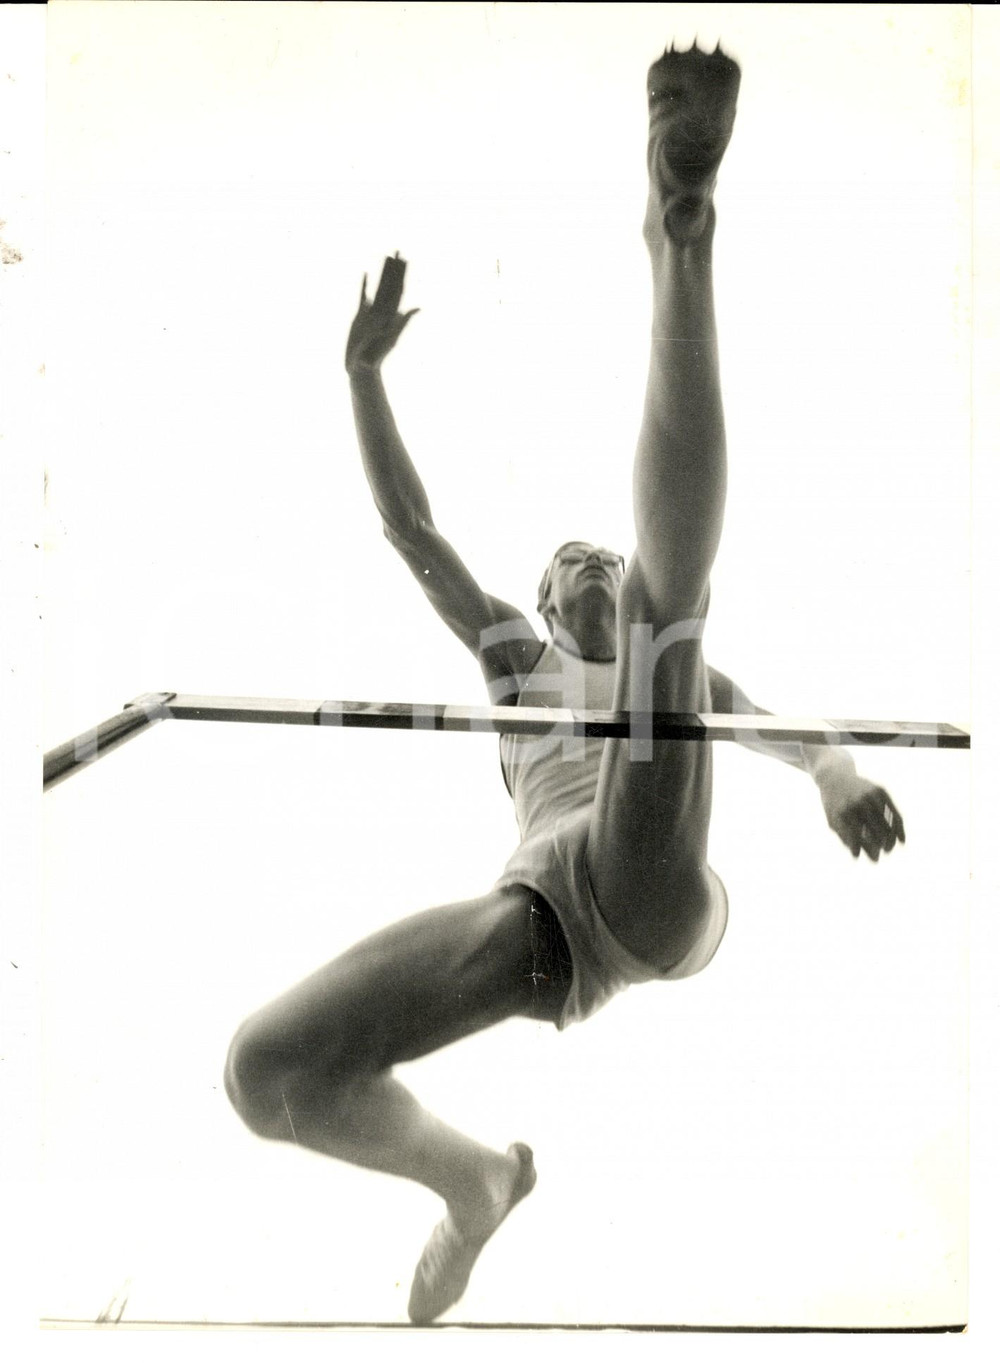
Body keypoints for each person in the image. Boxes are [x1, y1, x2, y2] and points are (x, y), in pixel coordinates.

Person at [223, 43, 904, 1325]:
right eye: (570, 563)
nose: (592, 564)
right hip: (541, 911)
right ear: (541, 605)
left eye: (604, 550)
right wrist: (363, 376)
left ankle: (676, 232)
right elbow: (417, 535)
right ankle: (473, 1183)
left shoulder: (656, 642)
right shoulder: (515, 657)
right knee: (266, 1070)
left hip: (655, 891)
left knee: (671, 618)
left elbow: (792, 736)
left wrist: (839, 771)